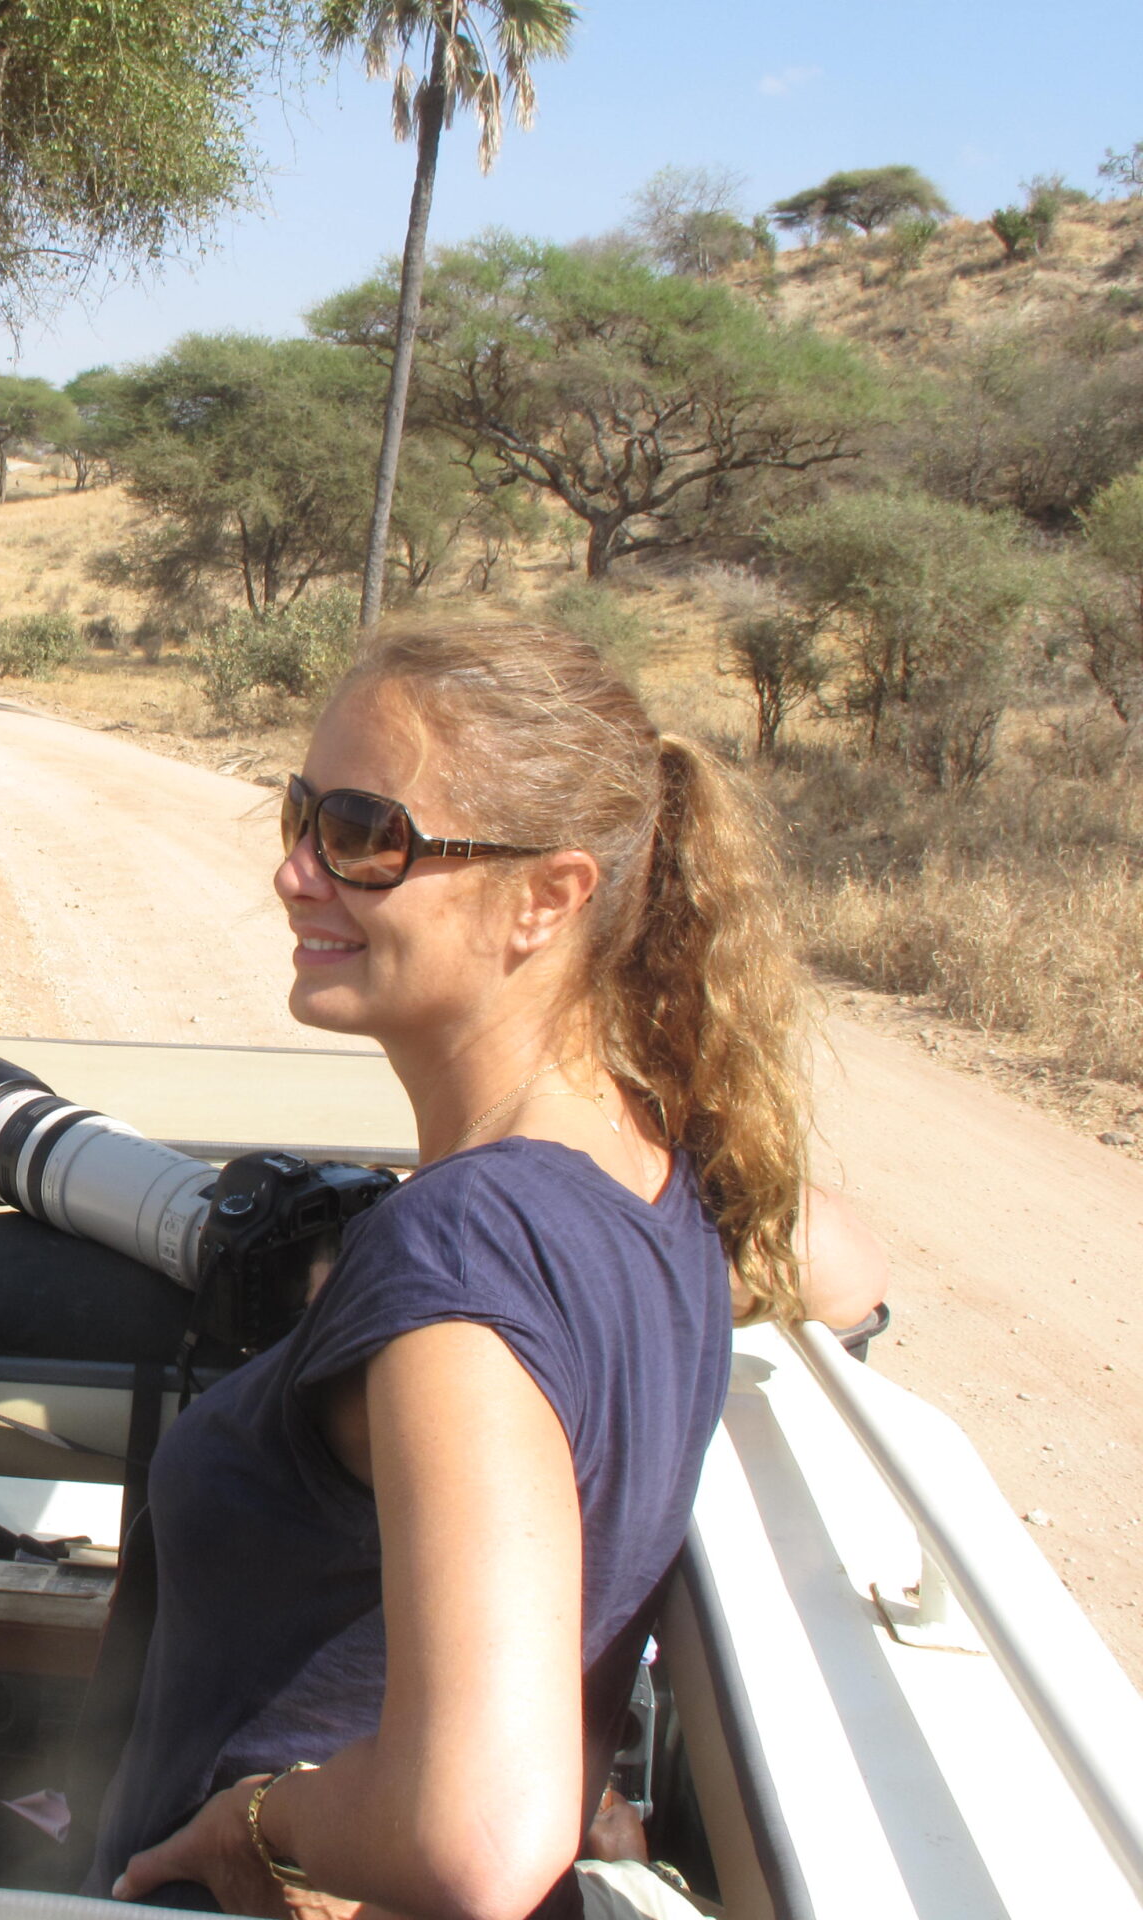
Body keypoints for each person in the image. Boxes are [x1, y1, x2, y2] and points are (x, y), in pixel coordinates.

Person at [92, 620, 818, 1918]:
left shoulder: (461, 1249)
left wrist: (248, 1832)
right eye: (301, 812)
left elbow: (478, 1840)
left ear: (547, 897)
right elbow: (840, 1264)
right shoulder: (666, 1169)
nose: (294, 873)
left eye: (365, 836)